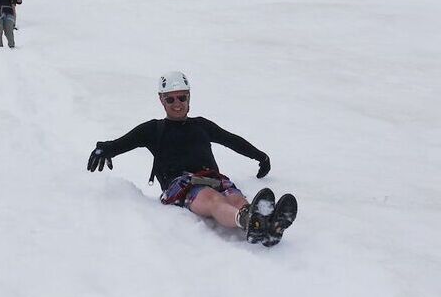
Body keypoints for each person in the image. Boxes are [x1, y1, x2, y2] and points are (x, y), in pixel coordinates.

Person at [86, 71, 298, 247]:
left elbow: (231, 140)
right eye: (170, 99)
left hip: (216, 179)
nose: (177, 104)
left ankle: (266, 223)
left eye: (182, 97)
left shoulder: (201, 125)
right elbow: (120, 143)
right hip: (182, 185)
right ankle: (248, 221)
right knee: (213, 199)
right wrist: (103, 149)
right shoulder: (153, 130)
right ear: (161, 100)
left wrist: (260, 157)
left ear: (189, 97)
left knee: (236, 199)